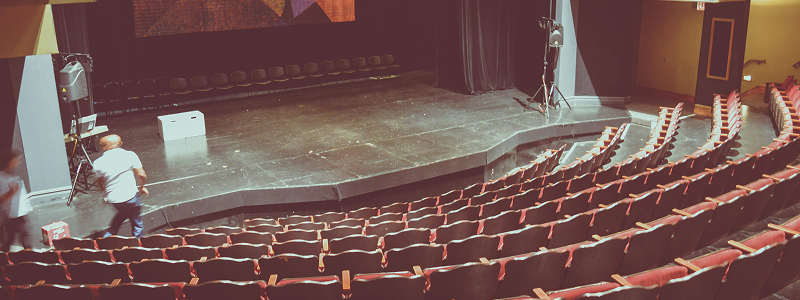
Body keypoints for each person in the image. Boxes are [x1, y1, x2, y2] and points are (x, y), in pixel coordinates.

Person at [93, 134, 148, 238]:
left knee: (123, 213)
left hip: (114, 200)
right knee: (137, 222)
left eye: (100, 146)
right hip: (130, 197)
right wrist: (142, 187)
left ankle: (108, 238)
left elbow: (100, 182)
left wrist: (106, 192)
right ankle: (137, 246)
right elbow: (141, 174)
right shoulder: (130, 155)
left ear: (107, 145)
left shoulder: (97, 163)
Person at [0, 149, 34, 251]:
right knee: (22, 237)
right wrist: (11, 193)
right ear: (9, 162)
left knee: (19, 236)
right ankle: (29, 259)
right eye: (16, 160)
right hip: (12, 216)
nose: (18, 163)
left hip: (20, 213)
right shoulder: (1, 179)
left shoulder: (15, 176)